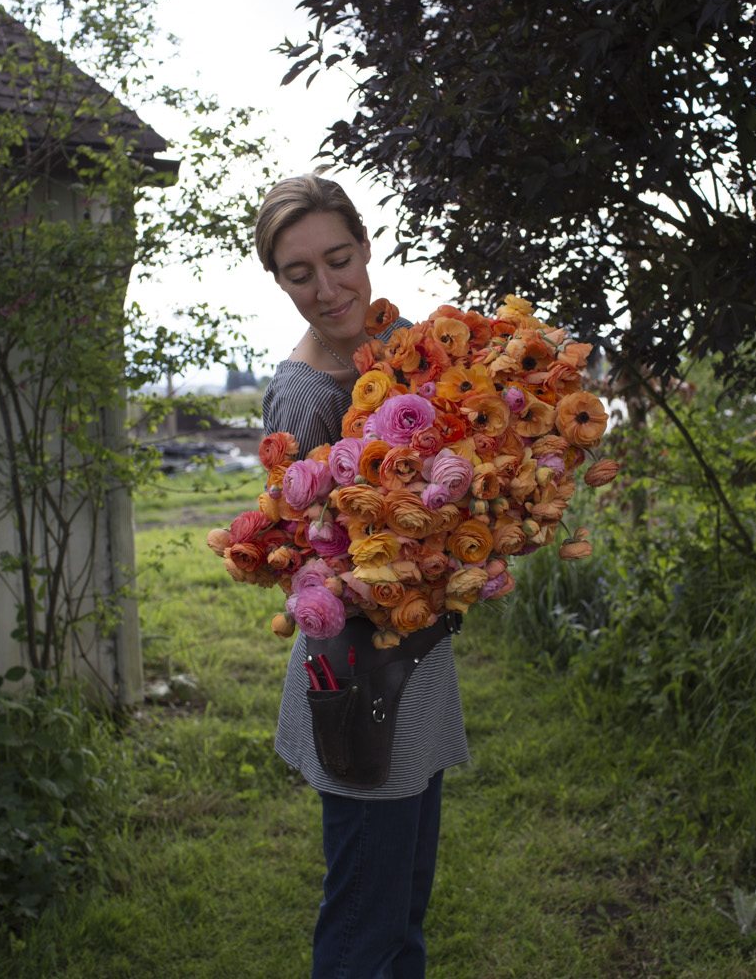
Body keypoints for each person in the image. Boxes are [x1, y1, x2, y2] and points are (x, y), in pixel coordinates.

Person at [254, 174, 469, 979]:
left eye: (338, 259)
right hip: (359, 676)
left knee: (405, 906)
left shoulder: (411, 349)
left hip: (420, 656)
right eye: (299, 272)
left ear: (366, 247)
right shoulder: (304, 396)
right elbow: (294, 566)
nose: (326, 287)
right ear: (278, 281)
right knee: (361, 926)